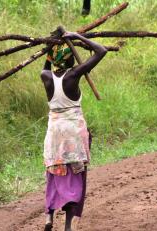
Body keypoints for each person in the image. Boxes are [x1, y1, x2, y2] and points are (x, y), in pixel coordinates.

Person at [40, 32, 107, 231]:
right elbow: (101, 51)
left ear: (53, 59)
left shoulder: (45, 77)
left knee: (54, 170)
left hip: (54, 132)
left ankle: (49, 217)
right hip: (74, 133)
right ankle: (69, 224)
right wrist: (77, 36)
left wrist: (50, 48)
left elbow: (46, 66)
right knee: (75, 173)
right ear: (71, 58)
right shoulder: (74, 75)